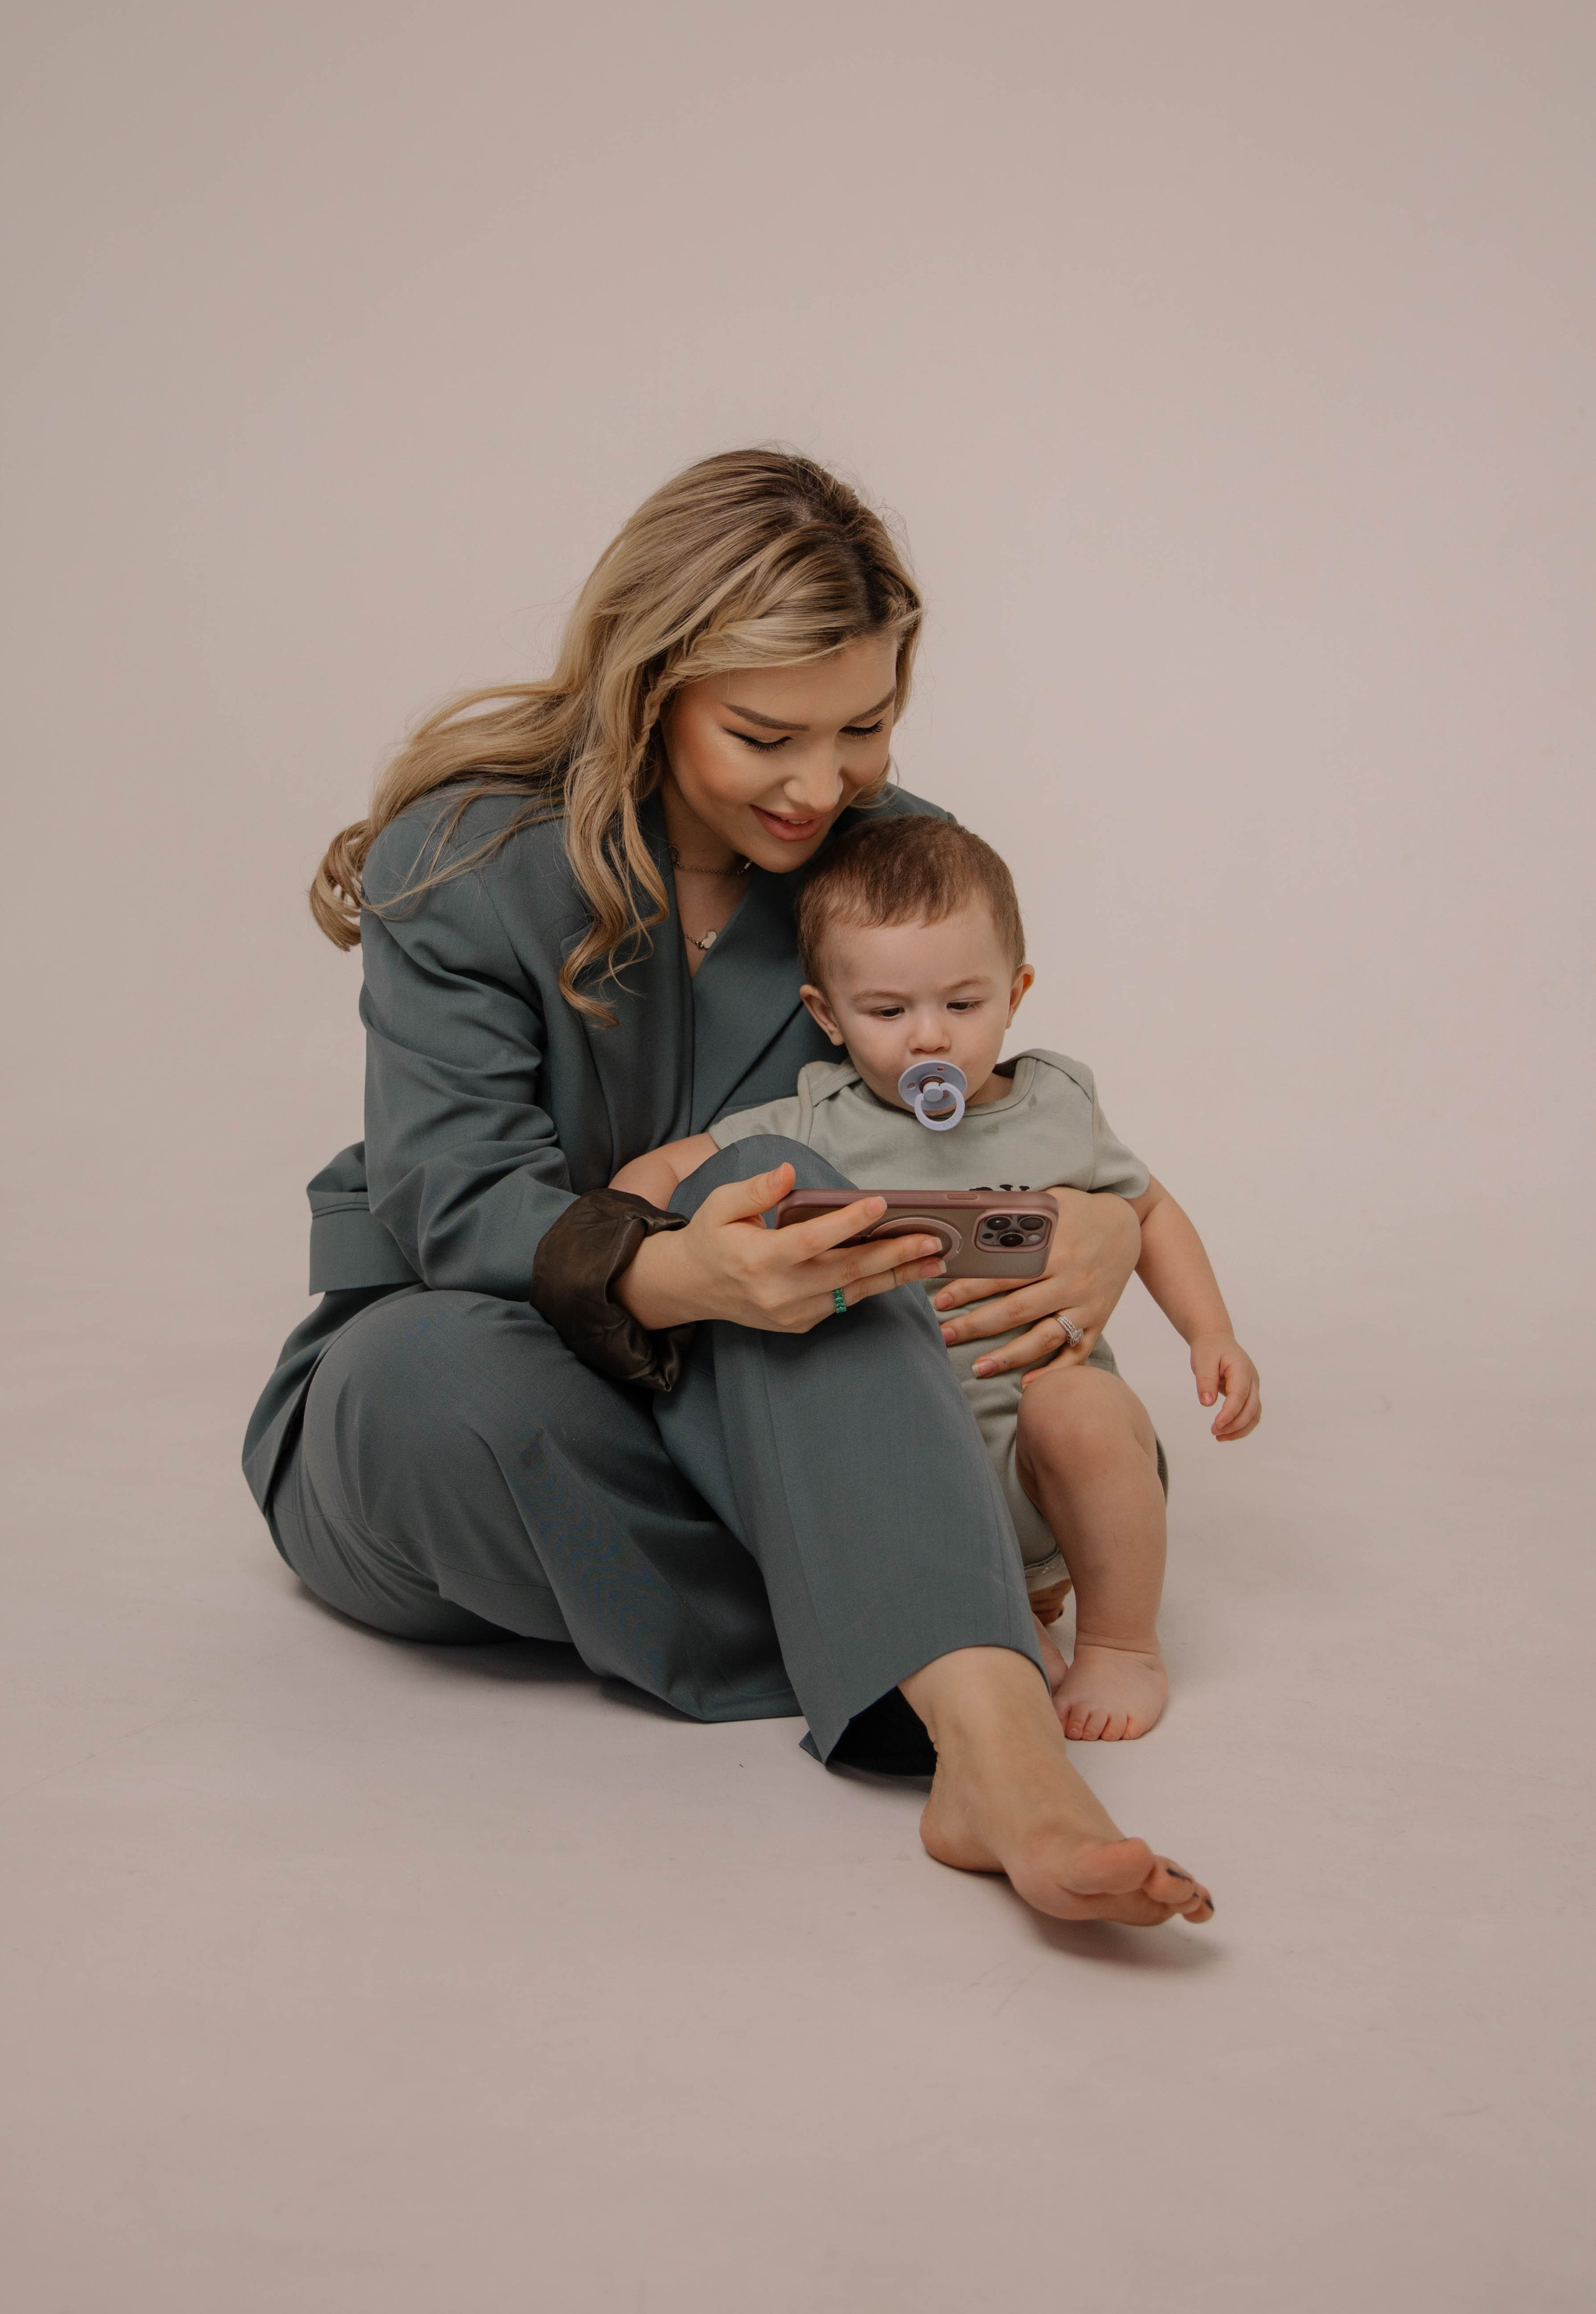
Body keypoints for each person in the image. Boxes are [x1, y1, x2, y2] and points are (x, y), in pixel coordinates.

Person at [244, 449, 1214, 1927]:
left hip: (801, 1396)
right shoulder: (468, 853)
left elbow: (982, 1112)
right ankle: (927, 1593)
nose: (821, 783)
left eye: (866, 726)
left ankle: (994, 1753)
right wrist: (667, 1274)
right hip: (513, 1385)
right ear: (651, 691)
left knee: (779, 1179)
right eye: (765, 733)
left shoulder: (887, 861)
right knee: (411, 1379)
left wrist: (1082, 1223)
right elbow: (449, 1197)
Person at [611, 813, 1262, 1745]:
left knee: (1079, 1410)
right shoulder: (816, 1122)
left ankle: (1120, 1642)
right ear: (828, 1015)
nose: (930, 1040)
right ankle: (994, 1629)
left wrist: (1212, 1332)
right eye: (887, 1012)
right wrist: (634, 1236)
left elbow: (1149, 1210)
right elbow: (665, 1173)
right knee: (880, 1460)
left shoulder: (1056, 1106)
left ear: (1016, 992)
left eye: (964, 1005)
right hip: (911, 1484)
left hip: (1055, 1473)